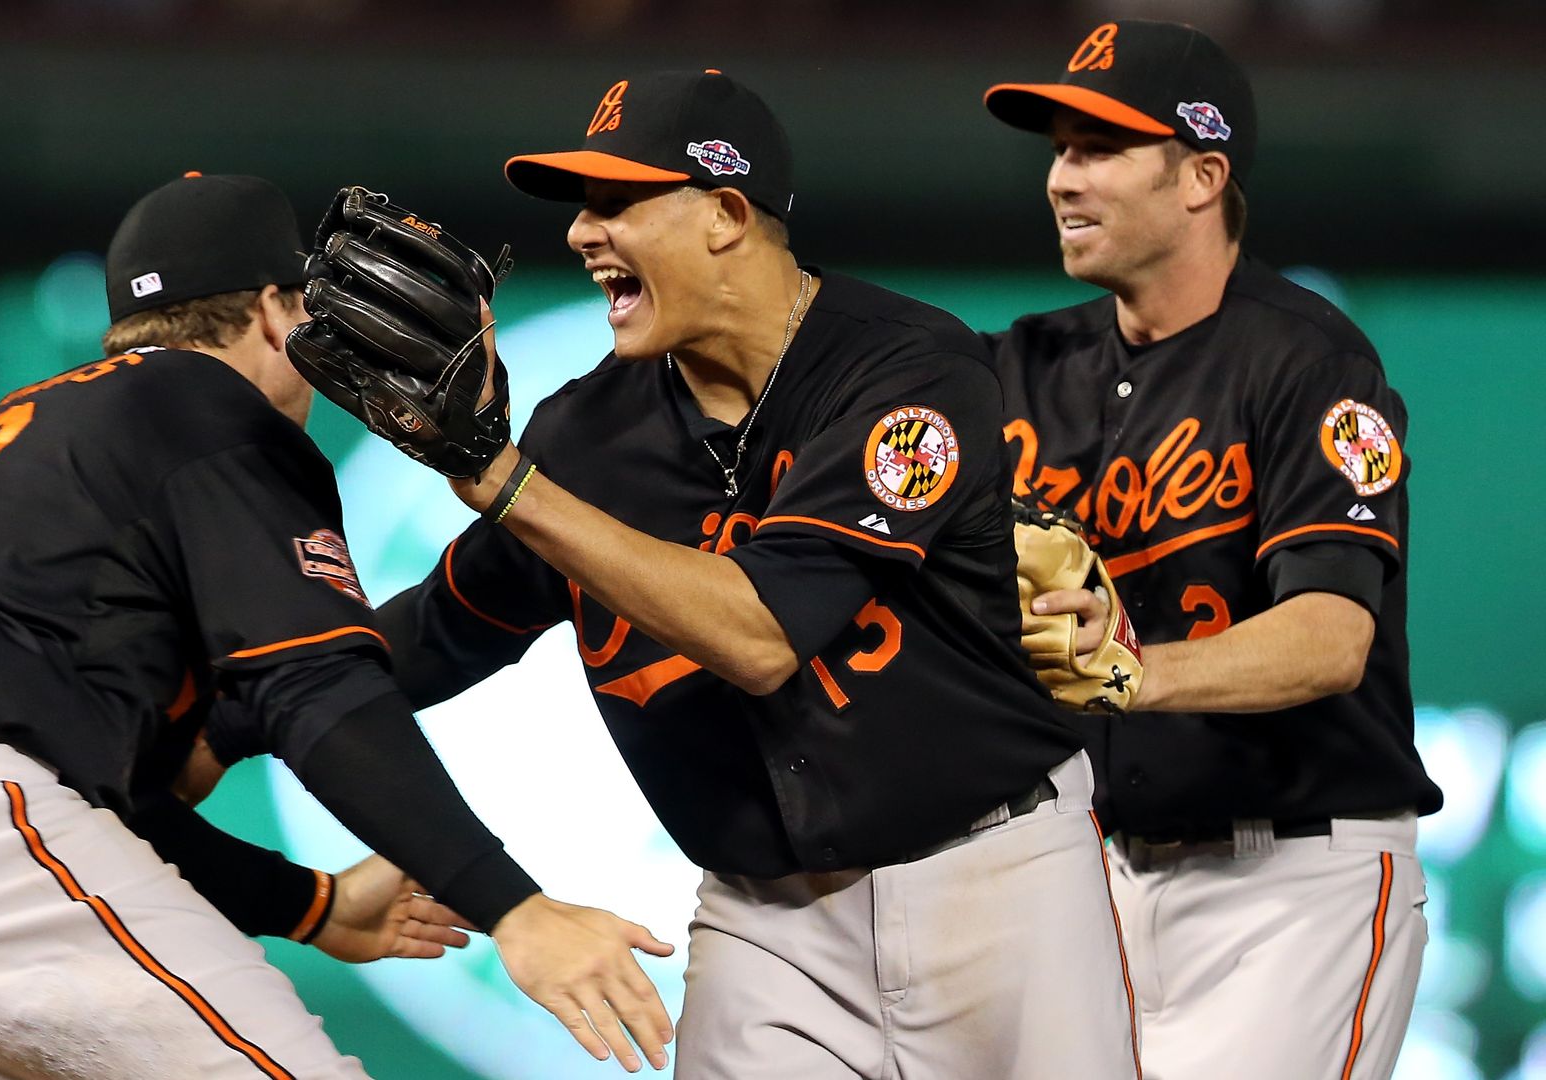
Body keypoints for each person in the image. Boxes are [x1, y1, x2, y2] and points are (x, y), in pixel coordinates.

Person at [0, 171, 674, 1079]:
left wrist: (313, 905)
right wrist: (515, 909)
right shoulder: (211, 406)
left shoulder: (54, 431)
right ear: (277, 312)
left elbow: (105, 806)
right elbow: (314, 687)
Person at [355, 70, 1140, 1078]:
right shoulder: (587, 436)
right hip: (767, 925)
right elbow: (437, 634)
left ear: (727, 213)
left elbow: (765, 636)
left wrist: (502, 480)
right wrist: (228, 691)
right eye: (581, 208)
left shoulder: (908, 370)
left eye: (616, 203)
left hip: (997, 883)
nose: (582, 234)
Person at [980, 21, 1442, 1080]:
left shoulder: (1311, 359)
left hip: (1292, 888)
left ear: (1202, 174)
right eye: (1058, 149)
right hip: (1091, 882)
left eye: (1098, 149)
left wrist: (1131, 673)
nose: (1062, 178)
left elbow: (1332, 639)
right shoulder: (1025, 364)